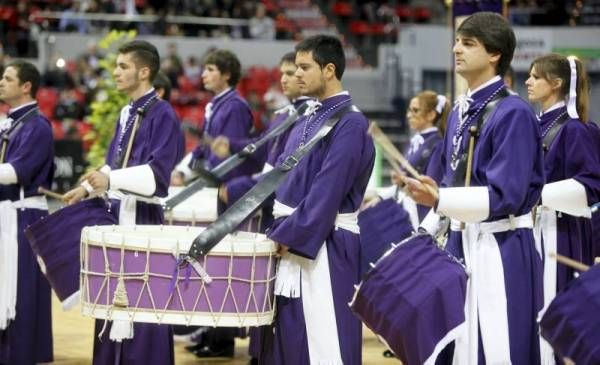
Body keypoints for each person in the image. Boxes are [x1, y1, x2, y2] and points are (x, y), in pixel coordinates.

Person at [406, 12, 544, 364]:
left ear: (494, 53)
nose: (456, 49)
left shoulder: (513, 112)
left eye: (468, 43)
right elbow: (456, 179)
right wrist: (435, 192)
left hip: (500, 244)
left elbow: (506, 195)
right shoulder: (461, 111)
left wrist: (442, 198)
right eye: (456, 41)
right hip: (461, 241)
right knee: (460, 343)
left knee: (496, 346)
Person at [63, 40, 184, 365]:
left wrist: (111, 181)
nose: (115, 72)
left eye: (123, 66)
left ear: (144, 72)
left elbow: (158, 179)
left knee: (144, 304)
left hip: (142, 219)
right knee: (110, 302)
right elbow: (113, 166)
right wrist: (87, 187)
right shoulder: (126, 112)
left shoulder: (164, 114)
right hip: (117, 217)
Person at [260, 35, 375, 365]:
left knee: (325, 343)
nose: (296, 74)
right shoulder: (308, 117)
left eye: (303, 67)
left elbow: (328, 191)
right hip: (297, 237)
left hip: (326, 244)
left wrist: (287, 236)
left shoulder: (350, 123)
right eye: (295, 67)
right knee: (292, 338)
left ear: (329, 69)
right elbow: (285, 179)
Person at [172, 49, 260, 359]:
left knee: (223, 264)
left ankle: (222, 339)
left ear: (225, 74)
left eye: (210, 69)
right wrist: (186, 169)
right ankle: (211, 333)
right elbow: (205, 149)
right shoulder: (218, 104)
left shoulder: (234, 107)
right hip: (213, 188)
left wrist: (226, 187)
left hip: (227, 193)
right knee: (212, 261)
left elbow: (231, 158)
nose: (203, 74)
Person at [526, 53, 600, 363]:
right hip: (535, 230)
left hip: (561, 232)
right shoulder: (537, 125)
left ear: (556, 84)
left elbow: (591, 185)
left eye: (535, 76)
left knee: (554, 315)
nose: (527, 81)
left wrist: (535, 195)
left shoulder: (574, 129)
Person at [0, 60, 54, 365]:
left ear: (26, 86)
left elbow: (20, 171)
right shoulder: (13, 121)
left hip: (24, 218)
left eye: (7, 78)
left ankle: (22, 353)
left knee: (22, 291)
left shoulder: (37, 124)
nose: (0, 82)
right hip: (9, 215)